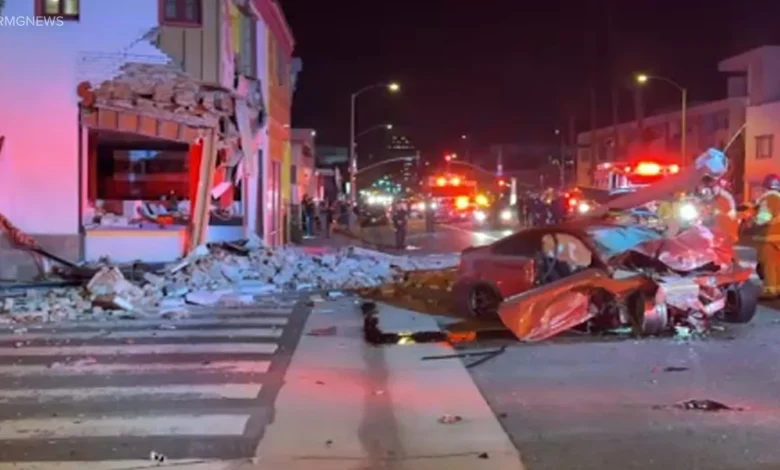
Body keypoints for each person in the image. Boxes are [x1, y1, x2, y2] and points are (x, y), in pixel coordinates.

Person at [755, 174, 780, 298]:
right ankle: (778, 288)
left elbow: (762, 218)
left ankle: (770, 291)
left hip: (769, 238)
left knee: (769, 265)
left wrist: (754, 218)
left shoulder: (768, 199)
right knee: (777, 265)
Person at [699, 176, 739, 244]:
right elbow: (698, 199)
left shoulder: (718, 190)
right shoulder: (703, 191)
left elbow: (729, 197)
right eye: (704, 183)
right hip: (706, 211)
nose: (706, 185)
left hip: (718, 211)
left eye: (708, 183)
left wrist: (732, 210)